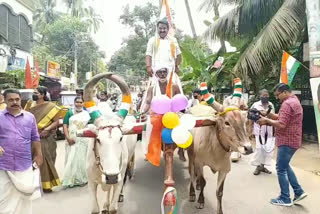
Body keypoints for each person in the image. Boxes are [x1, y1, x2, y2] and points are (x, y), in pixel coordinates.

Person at [258, 83, 307, 206]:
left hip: (287, 141)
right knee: (285, 166)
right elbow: (283, 118)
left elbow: (281, 124)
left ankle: (285, 198)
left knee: (280, 169)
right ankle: (298, 191)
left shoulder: (286, 104)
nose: (277, 97)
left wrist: (266, 120)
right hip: (294, 140)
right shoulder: (295, 101)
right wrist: (269, 115)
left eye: (278, 95)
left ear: (284, 92)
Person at [0, 89, 42, 214]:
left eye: (17, 99)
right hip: (3, 165)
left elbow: (35, 137)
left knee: (24, 199)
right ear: (5, 100)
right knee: (4, 200)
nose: (14, 102)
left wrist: (39, 154)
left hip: (24, 163)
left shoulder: (30, 117)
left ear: (20, 99)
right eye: (11, 100)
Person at [142, 66, 181, 187]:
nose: (163, 74)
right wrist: (143, 112)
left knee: (184, 127)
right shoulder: (152, 89)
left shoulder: (174, 86)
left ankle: (182, 150)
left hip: (172, 116)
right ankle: (151, 150)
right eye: (160, 72)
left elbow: (179, 102)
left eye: (165, 72)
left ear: (168, 73)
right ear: (156, 74)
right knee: (148, 124)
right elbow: (148, 103)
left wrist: (181, 112)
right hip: (156, 116)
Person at [25, 86, 62, 193]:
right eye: (33, 92)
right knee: (30, 159)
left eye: (36, 93)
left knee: (45, 159)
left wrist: (47, 129)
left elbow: (56, 121)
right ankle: (32, 184)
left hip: (44, 136)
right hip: (30, 136)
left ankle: (46, 184)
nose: (34, 94)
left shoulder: (51, 107)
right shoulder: (29, 104)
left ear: (42, 95)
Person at [62, 96, 90, 188]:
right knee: (71, 159)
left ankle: (81, 179)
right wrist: (68, 137)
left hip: (82, 140)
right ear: (74, 103)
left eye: (80, 102)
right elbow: (65, 126)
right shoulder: (69, 113)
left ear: (83, 103)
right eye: (77, 102)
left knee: (81, 160)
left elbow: (90, 126)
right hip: (71, 139)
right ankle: (70, 179)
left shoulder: (86, 114)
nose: (78, 104)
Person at [146, 17, 182, 85]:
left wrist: (177, 66)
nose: (162, 30)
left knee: (172, 89)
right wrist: (148, 67)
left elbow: (179, 54)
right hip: (156, 71)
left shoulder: (173, 40)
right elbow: (148, 54)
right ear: (157, 29)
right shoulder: (152, 40)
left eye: (164, 28)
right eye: (160, 28)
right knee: (155, 90)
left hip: (170, 70)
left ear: (168, 29)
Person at [250, 89, 275, 175]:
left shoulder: (271, 105)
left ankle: (263, 166)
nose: (265, 97)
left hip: (269, 131)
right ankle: (257, 167)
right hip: (259, 131)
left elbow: (274, 118)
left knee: (267, 150)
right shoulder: (255, 105)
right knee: (259, 149)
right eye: (264, 95)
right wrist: (250, 131)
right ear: (260, 96)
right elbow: (250, 118)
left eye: (267, 95)